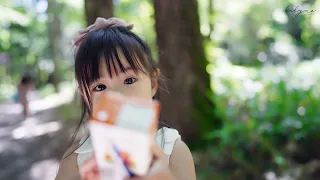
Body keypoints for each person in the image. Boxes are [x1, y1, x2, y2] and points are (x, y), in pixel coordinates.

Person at [55, 17, 196, 180]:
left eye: (129, 80)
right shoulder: (74, 161)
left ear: (153, 83)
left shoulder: (173, 150)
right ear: (86, 97)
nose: (117, 95)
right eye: (100, 87)